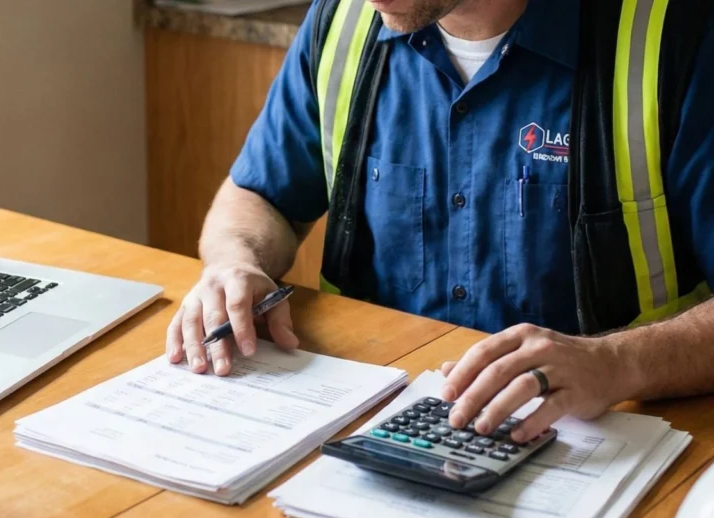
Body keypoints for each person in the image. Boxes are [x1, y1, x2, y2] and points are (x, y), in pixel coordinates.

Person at [165, 0, 714, 443]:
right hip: (371, 431)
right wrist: (237, 261)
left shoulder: (673, 39)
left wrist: (615, 362)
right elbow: (259, 196)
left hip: (604, 441)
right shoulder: (342, 23)